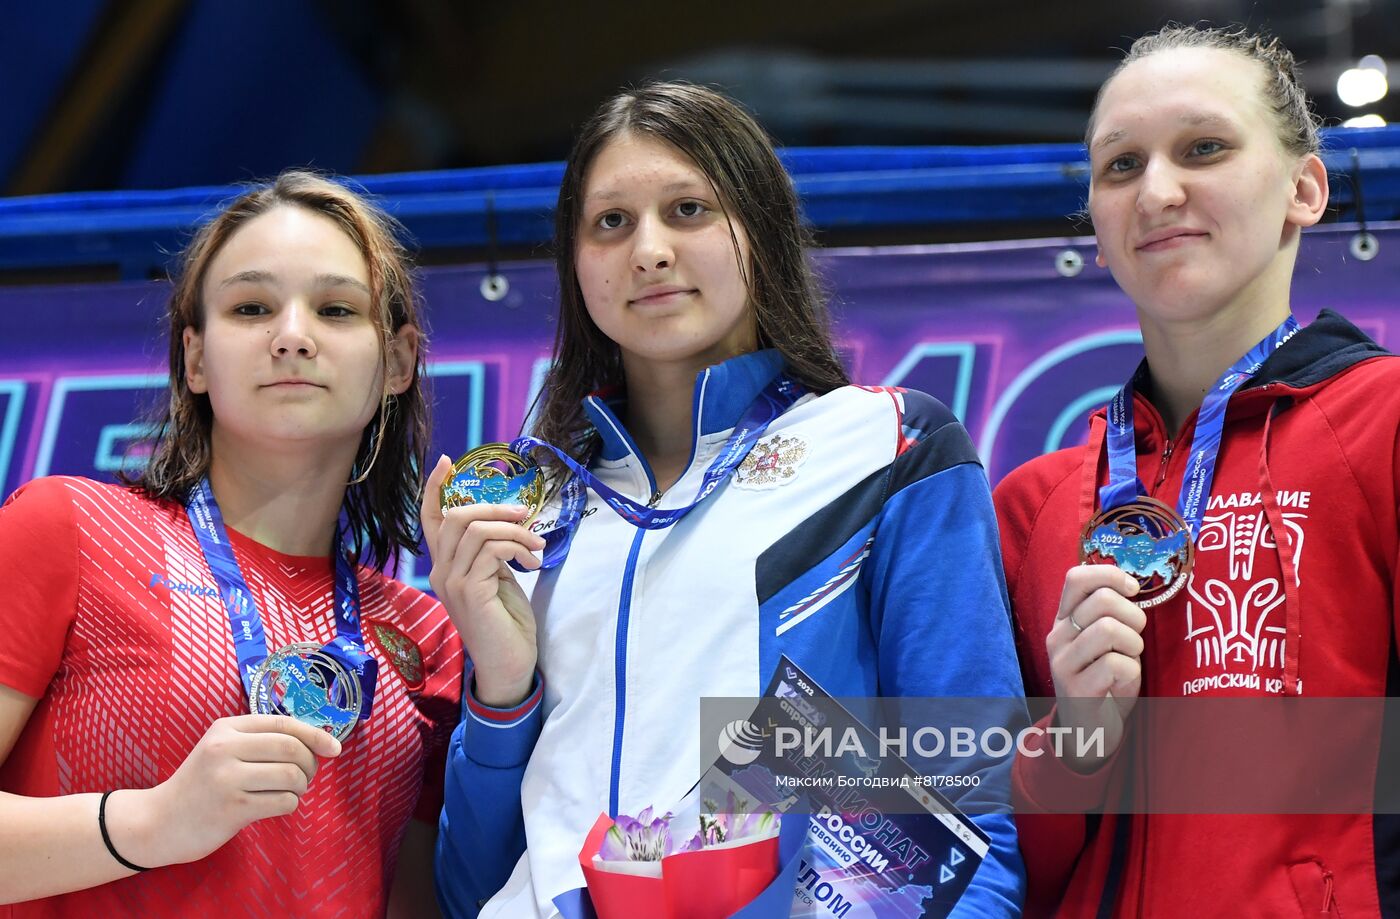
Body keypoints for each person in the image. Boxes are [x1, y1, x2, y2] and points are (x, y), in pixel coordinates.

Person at [427, 81, 1027, 918]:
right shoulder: (537, 511)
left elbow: (972, 831)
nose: (649, 250)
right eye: (611, 222)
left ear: (764, 232)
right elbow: (471, 887)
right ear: (575, 263)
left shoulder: (887, 448)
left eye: (688, 209)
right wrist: (500, 682)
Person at [993, 24, 1399, 917]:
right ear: (1097, 229)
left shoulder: (1383, 425)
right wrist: (1077, 744)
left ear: (1305, 188)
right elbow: (1001, 857)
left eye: (1203, 148)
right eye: (1121, 166)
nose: (1159, 191)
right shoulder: (1032, 505)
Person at [0, 170, 463, 917]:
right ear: (194, 356)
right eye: (251, 307)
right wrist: (151, 822)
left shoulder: (426, 635)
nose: (292, 335)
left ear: (400, 363)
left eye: (337, 308)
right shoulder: (70, 530)